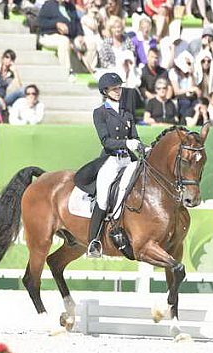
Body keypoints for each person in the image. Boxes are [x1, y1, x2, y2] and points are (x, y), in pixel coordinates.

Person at [85, 72, 143, 258]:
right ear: (105, 91)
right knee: (103, 196)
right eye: (114, 88)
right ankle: (93, 241)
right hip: (111, 159)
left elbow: (134, 137)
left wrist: (142, 147)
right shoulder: (100, 113)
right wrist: (126, 143)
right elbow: (106, 141)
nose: (118, 91)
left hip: (128, 159)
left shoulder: (127, 113)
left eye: (119, 88)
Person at [37, 0, 97, 74]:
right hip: (49, 35)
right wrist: (56, 24)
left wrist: (80, 35)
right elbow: (40, 22)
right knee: (64, 41)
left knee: (91, 43)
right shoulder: (49, 5)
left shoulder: (70, 6)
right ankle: (66, 72)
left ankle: (89, 71)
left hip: (70, 37)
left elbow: (77, 23)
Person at [0, 49, 24, 116]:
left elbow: (19, 87)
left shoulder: (10, 73)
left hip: (3, 98)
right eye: (7, 57)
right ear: (2, 58)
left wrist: (15, 72)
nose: (8, 60)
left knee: (23, 91)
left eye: (11, 59)